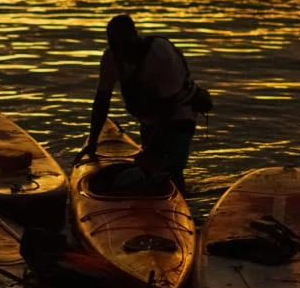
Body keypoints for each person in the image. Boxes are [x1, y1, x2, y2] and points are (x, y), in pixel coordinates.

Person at [82, 14, 208, 191]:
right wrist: (93, 141)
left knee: (172, 169)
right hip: (150, 116)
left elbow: (169, 109)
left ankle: (183, 207)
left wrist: (150, 152)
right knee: (151, 169)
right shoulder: (111, 58)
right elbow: (102, 100)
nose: (122, 52)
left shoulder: (160, 54)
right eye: (115, 45)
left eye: (124, 44)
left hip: (181, 110)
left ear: (135, 36)